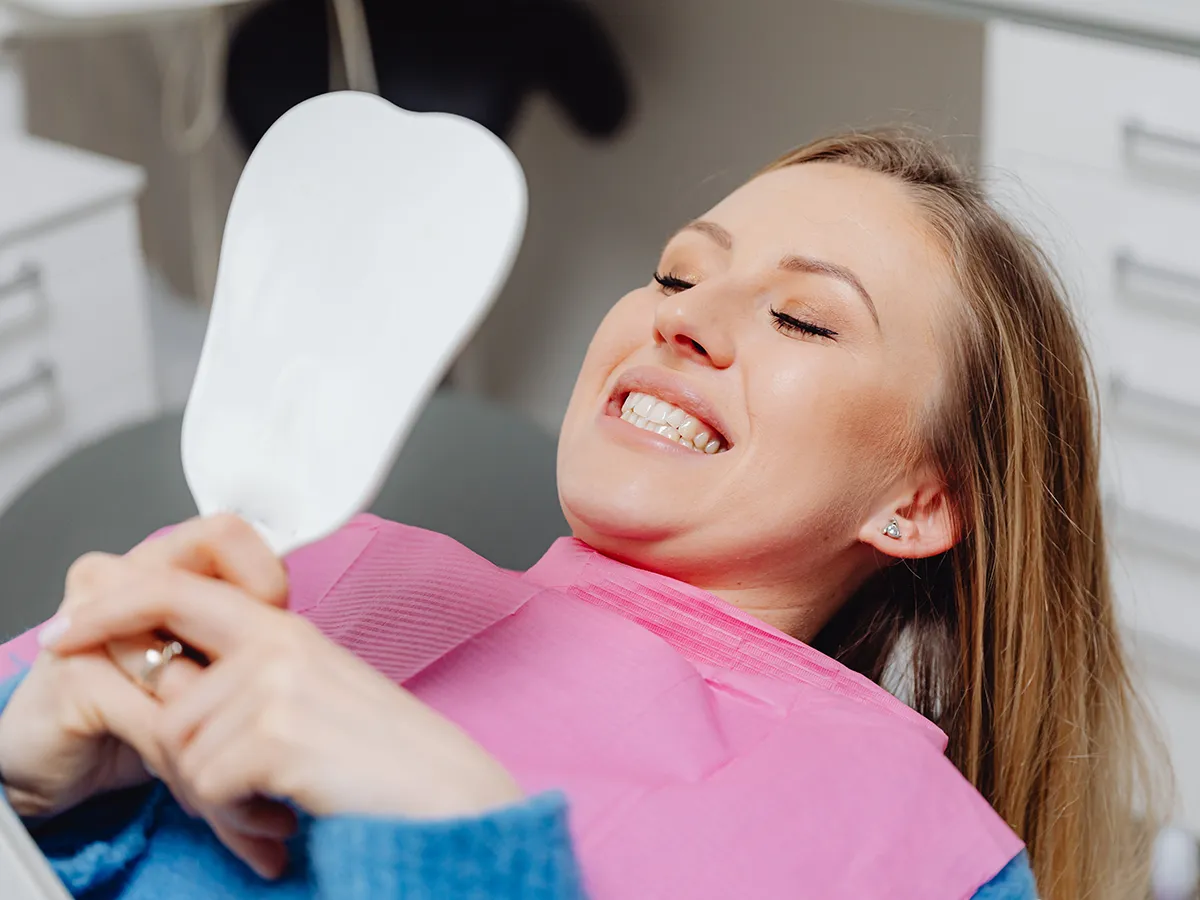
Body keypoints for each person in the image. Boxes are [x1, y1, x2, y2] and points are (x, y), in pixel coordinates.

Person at [0, 130, 1167, 900]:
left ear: (920, 502)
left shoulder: (914, 851)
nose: (686, 316)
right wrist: (25, 789)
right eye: (675, 273)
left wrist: (463, 848)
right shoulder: (299, 570)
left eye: (804, 320)